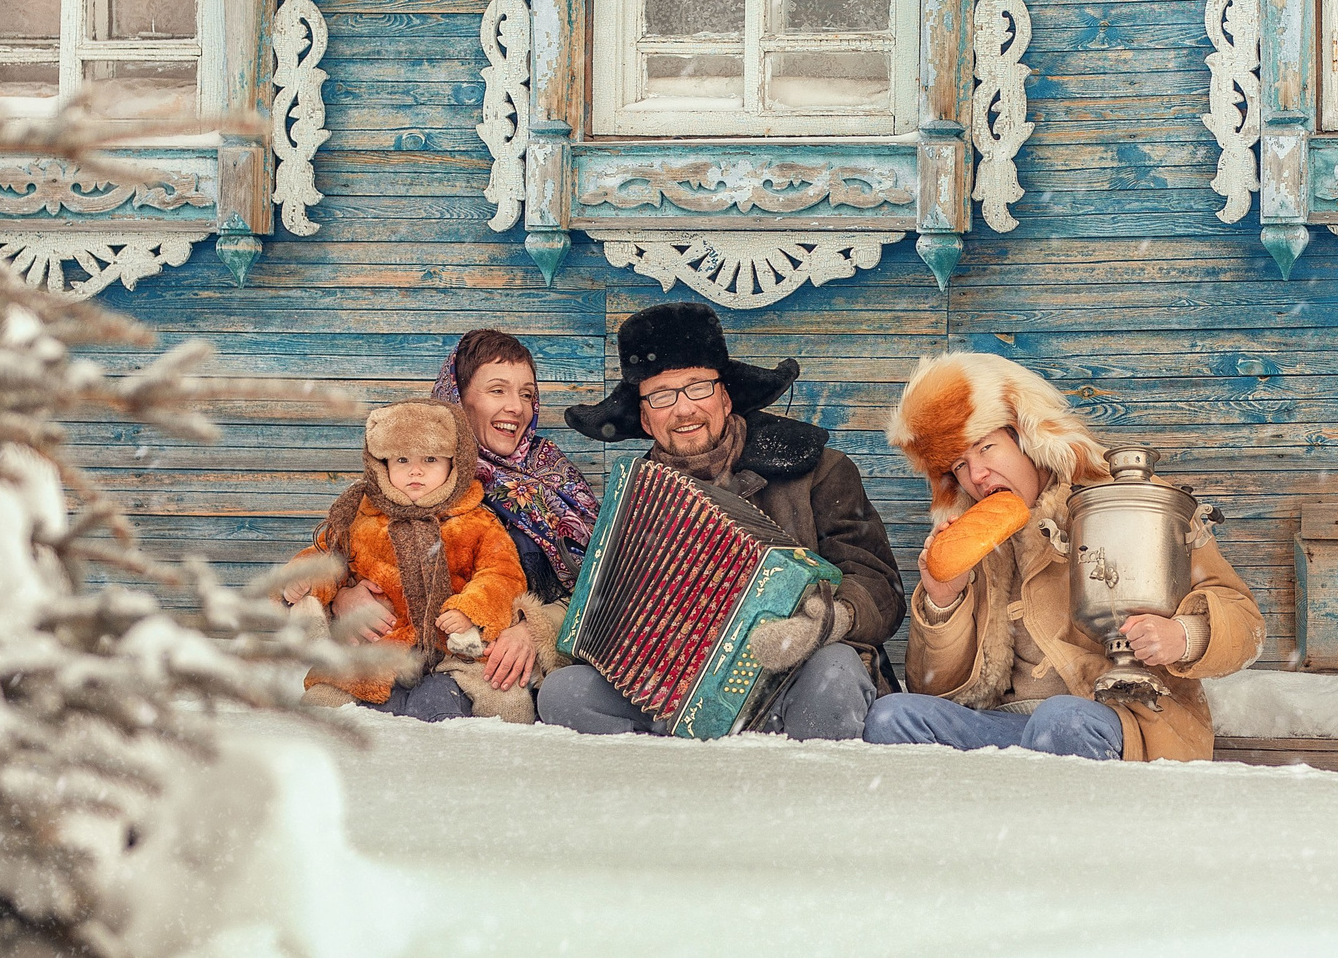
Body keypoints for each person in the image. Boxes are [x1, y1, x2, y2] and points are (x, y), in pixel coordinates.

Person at [867, 351, 1263, 762]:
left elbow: (1246, 624)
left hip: (1115, 719)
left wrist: (1182, 636)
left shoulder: (1125, 498)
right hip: (1002, 727)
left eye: (986, 447)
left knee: (1060, 721)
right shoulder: (968, 537)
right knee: (892, 716)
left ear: (1027, 435)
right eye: (960, 464)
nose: (977, 475)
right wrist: (943, 600)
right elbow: (931, 688)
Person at [537, 301, 902, 741]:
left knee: (834, 674)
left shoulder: (818, 470)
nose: (684, 408)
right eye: (662, 395)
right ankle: (667, 801)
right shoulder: (632, 501)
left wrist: (827, 620)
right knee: (564, 694)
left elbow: (879, 584)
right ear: (645, 418)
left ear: (725, 397)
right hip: (671, 691)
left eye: (697, 387)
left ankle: (812, 803)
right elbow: (604, 608)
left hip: (793, 677)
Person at [293, 400, 534, 722]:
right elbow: (326, 558)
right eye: (402, 459)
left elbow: (502, 574)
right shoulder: (360, 517)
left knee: (506, 703)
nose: (415, 470)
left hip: (456, 650)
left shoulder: (476, 522)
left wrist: (470, 609)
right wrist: (304, 580)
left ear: (455, 463)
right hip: (378, 645)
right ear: (381, 463)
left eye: (430, 459)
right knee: (322, 704)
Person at [428, 327, 601, 698]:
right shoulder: (420, 472)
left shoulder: (553, 472)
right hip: (441, 675)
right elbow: (365, 546)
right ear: (457, 398)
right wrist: (351, 596)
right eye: (497, 390)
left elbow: (604, 584)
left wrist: (534, 631)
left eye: (527, 394)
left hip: (539, 681)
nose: (517, 407)